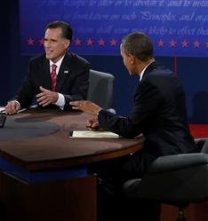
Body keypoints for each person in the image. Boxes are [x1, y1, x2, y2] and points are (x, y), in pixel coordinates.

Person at [70, 32, 198, 221]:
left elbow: (131, 129)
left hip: (165, 157)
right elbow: (144, 120)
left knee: (106, 169)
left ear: (131, 57)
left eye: (122, 57)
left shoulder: (149, 83)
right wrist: (105, 122)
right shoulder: (166, 74)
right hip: (182, 151)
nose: (123, 62)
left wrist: (98, 112)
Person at [5, 20, 90, 114]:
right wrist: (16, 103)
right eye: (45, 40)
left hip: (68, 118)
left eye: (53, 41)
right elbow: (24, 95)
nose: (47, 45)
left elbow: (79, 99)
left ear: (66, 44)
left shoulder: (79, 65)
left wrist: (57, 98)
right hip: (42, 120)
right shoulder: (36, 64)